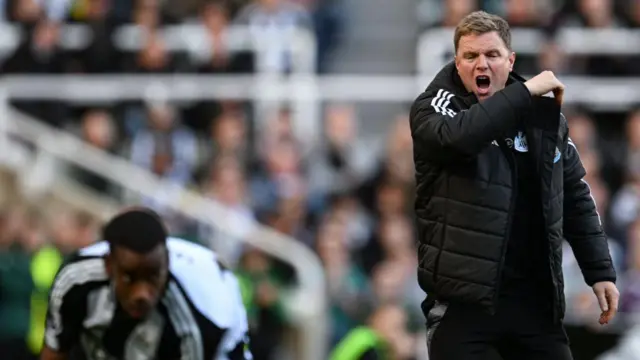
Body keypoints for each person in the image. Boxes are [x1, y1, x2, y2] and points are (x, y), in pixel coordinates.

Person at [409, 10, 619, 360]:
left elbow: (574, 194)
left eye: (492, 55)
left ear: (511, 60)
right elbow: (461, 138)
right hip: (464, 308)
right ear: (457, 63)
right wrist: (524, 93)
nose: (482, 65)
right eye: (470, 56)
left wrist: (599, 271)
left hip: (535, 305)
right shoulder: (436, 107)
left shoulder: (542, 117)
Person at [40, 207, 252, 360]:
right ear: (109, 265)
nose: (141, 294)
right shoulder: (76, 281)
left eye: (152, 277)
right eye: (129, 277)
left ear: (167, 265)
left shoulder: (196, 323)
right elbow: (55, 351)